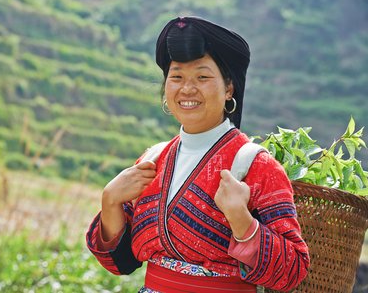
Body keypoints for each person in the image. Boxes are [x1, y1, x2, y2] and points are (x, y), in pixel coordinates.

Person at [86, 16, 310, 292]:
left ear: (229, 88)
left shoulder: (257, 166)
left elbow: (293, 271)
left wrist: (242, 220)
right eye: (177, 77)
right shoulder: (152, 160)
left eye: (202, 77)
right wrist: (110, 201)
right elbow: (119, 263)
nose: (187, 89)